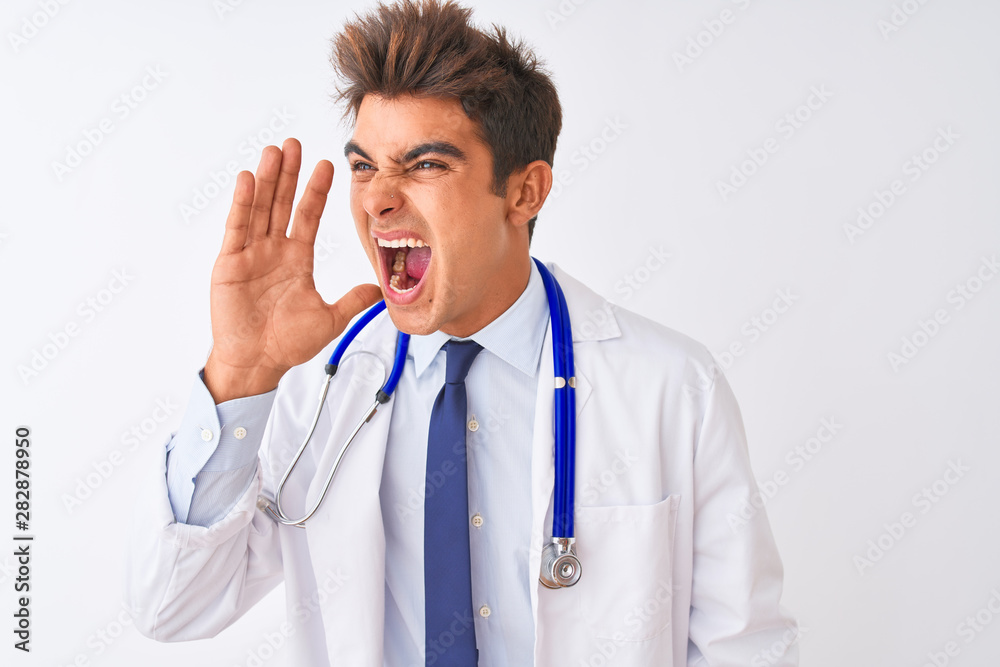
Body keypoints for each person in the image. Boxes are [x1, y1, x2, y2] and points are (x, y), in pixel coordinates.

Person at [126, 1, 799, 665]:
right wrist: (241, 376)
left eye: (424, 165)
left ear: (525, 192)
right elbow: (170, 606)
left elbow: (746, 647)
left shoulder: (671, 388)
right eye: (364, 165)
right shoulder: (315, 393)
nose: (377, 199)